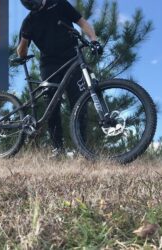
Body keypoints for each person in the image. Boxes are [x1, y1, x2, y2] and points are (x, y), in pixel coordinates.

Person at [17, 0, 103, 158]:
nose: (36, 7)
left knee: (79, 103)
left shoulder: (59, 3)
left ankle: (83, 148)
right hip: (49, 65)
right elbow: (21, 52)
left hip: (72, 57)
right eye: (31, 6)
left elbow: (82, 22)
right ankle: (58, 149)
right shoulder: (28, 21)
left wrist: (94, 39)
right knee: (52, 106)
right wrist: (24, 39)